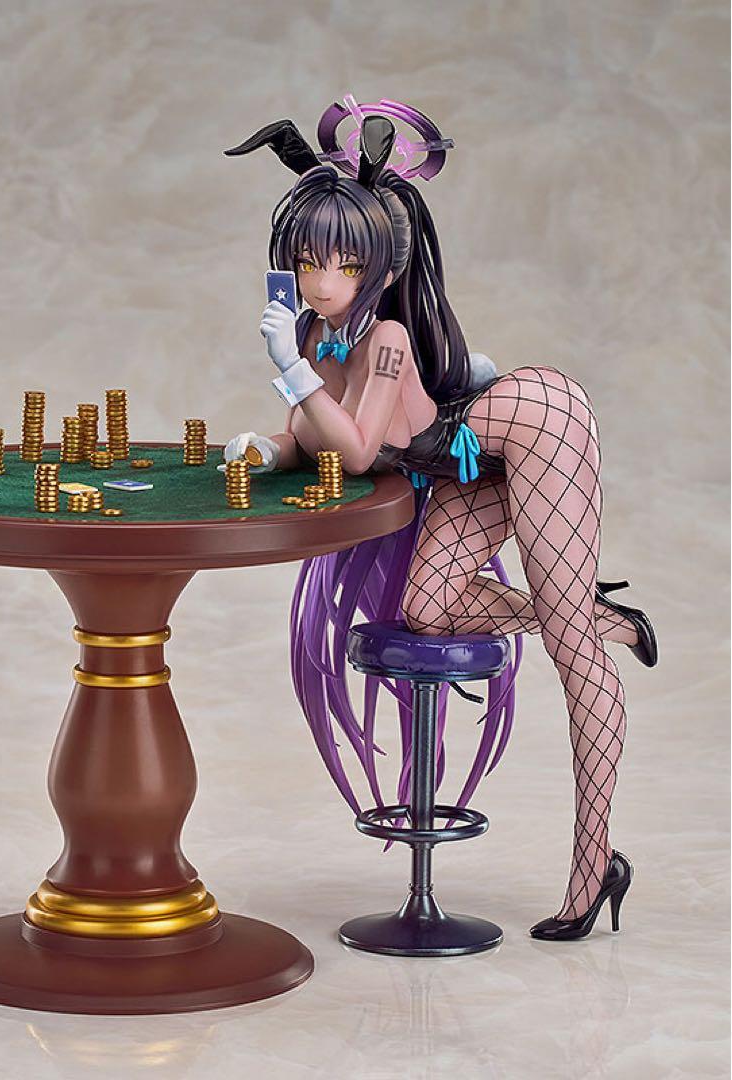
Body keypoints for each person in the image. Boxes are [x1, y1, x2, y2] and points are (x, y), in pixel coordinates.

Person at [222, 97, 658, 941]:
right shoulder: (315, 336)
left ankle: (593, 864)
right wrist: (265, 449)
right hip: (466, 464)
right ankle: (600, 617)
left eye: (345, 265)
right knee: (429, 608)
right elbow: (310, 434)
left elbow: (355, 450)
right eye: (307, 261)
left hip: (538, 425)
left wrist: (286, 371)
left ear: (381, 269)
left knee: (570, 654)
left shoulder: (384, 338)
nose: (321, 282)